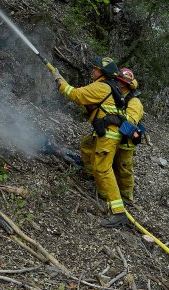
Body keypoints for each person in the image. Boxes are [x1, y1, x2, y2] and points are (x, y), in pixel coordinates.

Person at [52, 57, 143, 227]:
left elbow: (76, 95)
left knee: (110, 168)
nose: (92, 71)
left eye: (96, 69)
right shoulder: (111, 89)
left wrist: (59, 80)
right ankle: (94, 177)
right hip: (110, 134)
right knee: (87, 145)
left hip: (117, 137)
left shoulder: (107, 89)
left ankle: (119, 210)